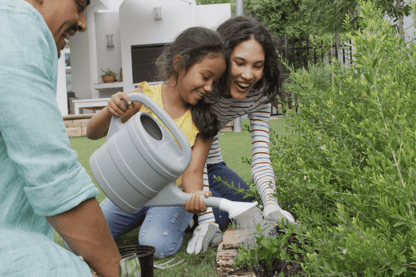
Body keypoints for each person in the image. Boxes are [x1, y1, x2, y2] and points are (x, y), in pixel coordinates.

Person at [0, 0, 123, 276]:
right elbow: (53, 174)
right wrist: (118, 270)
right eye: (79, 5)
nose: (83, 22)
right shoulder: (15, 26)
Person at [86, 27, 227, 259]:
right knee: (84, 237)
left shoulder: (203, 120)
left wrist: (194, 198)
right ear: (180, 64)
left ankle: (178, 219)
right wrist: (108, 110)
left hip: (171, 197)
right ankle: (141, 215)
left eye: (215, 81)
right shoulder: (145, 98)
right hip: (134, 190)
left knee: (154, 245)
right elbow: (93, 133)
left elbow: (193, 173)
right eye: (205, 77)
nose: (210, 87)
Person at [193, 15, 295, 241]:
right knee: (217, 218)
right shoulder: (206, 88)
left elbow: (261, 156)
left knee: (248, 204)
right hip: (185, 166)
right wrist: (206, 218)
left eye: (257, 66)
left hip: (213, 164)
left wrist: (272, 205)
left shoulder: (259, 94)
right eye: (239, 63)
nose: (248, 75)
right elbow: (193, 155)